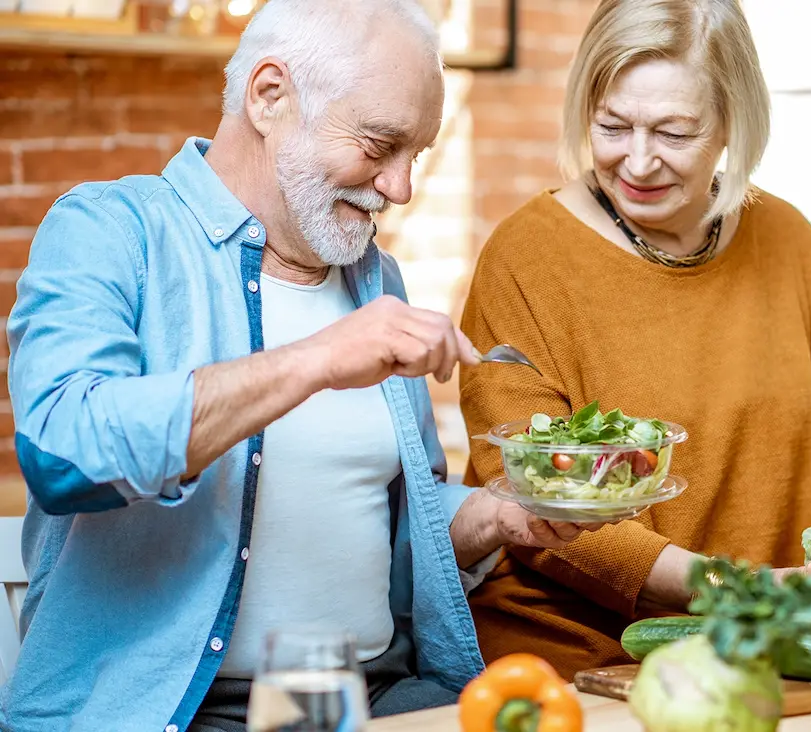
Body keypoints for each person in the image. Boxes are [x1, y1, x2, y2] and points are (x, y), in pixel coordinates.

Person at [0, 1, 596, 729]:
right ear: (269, 95)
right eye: (380, 144)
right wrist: (315, 359)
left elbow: (387, 522)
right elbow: (64, 454)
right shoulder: (110, 231)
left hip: (383, 700)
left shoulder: (374, 281)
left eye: (419, 156)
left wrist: (499, 515)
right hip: (174, 714)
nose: (400, 187)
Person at [457, 0, 811, 680]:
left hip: (764, 653)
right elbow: (530, 499)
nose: (637, 161)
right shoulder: (526, 256)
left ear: (733, 122)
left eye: (673, 132)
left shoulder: (788, 241)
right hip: (584, 666)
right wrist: (734, 589)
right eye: (612, 125)